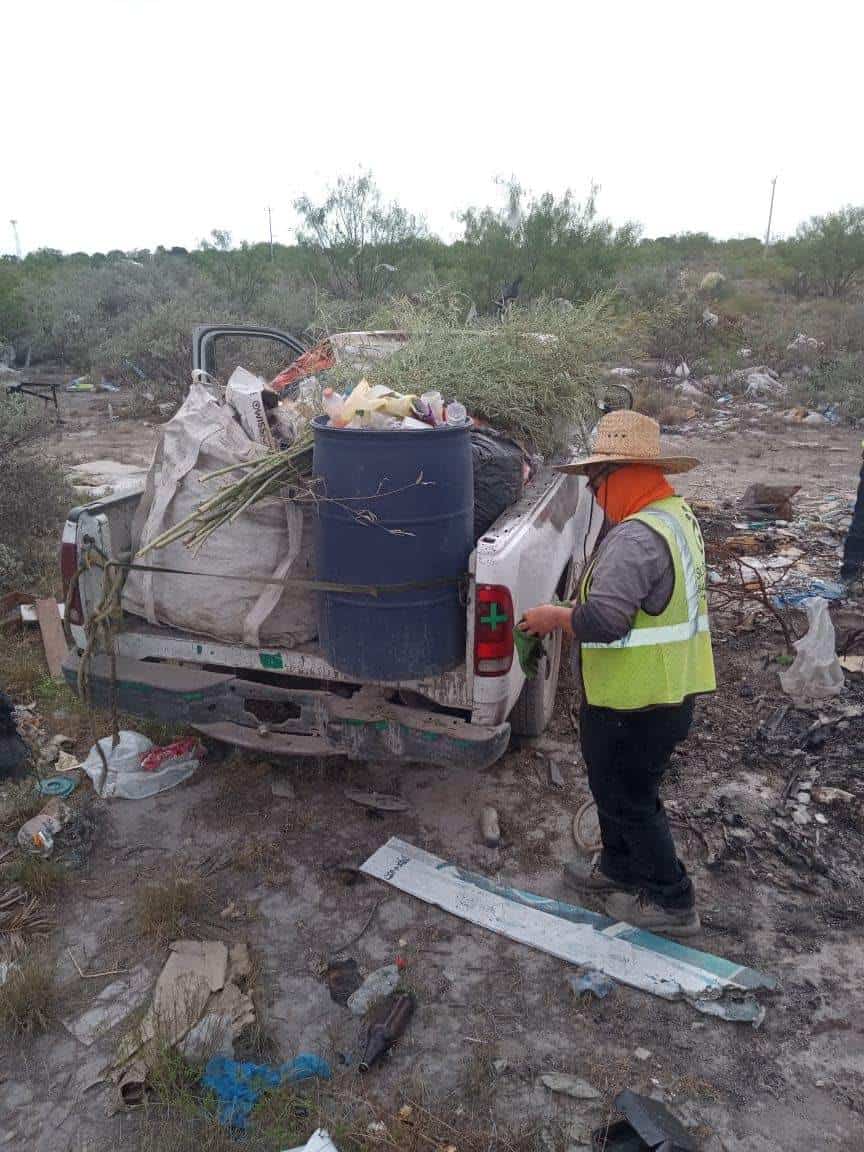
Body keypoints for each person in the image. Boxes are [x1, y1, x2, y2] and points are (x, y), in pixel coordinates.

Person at [519, 410, 716, 937]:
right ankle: (619, 868)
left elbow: (606, 621)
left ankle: (673, 901)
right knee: (614, 789)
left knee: (630, 799)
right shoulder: (674, 515)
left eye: (598, 482)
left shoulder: (635, 537)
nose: (596, 496)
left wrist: (554, 616)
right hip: (664, 693)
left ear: (625, 473)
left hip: (638, 702)